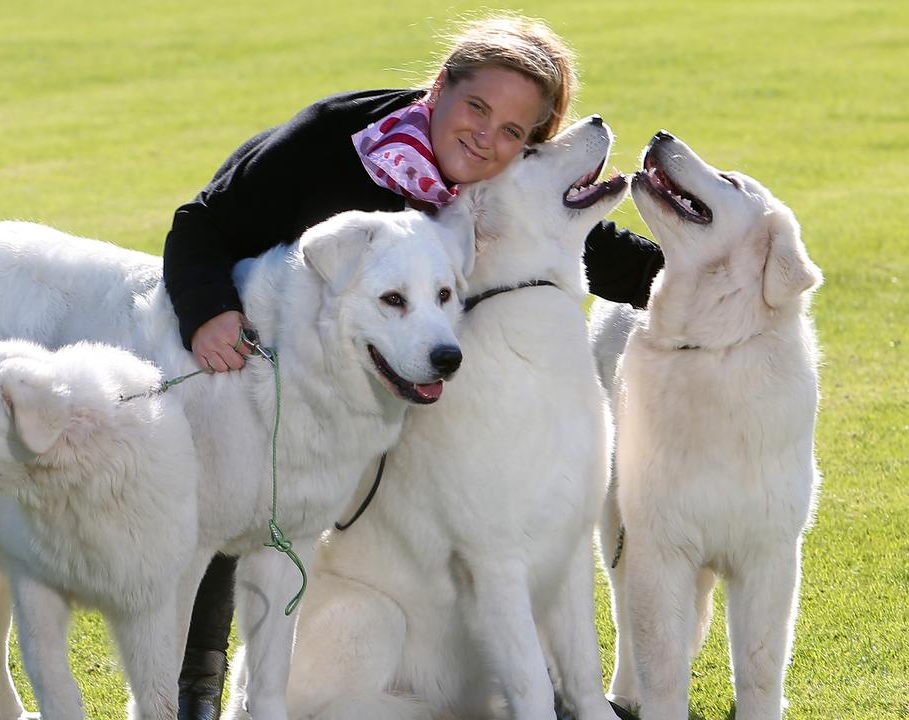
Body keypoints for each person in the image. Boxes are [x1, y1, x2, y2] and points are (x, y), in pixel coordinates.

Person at [162, 14, 662, 720]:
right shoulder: (336, 141)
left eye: (513, 133)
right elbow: (200, 224)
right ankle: (199, 685)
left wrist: (688, 278)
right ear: (439, 89)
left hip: (375, 360)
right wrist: (208, 310)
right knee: (247, 487)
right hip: (262, 330)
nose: (486, 137)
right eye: (477, 108)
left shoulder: (487, 184)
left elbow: (585, 240)